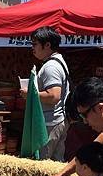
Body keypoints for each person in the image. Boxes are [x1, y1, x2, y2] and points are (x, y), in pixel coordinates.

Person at [20, 26, 69, 161]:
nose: (32, 48)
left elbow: (54, 96)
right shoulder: (57, 62)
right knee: (54, 166)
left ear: (47, 45)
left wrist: (31, 94)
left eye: (35, 44)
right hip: (57, 121)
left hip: (49, 124)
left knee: (42, 165)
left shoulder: (50, 67)